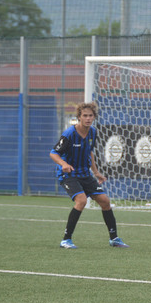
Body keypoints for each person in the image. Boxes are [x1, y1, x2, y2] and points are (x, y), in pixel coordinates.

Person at [50, 102, 129, 249]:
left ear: (94, 117)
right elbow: (53, 153)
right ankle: (66, 240)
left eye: (90, 115)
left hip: (85, 174)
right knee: (81, 201)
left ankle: (114, 238)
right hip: (69, 174)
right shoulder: (69, 134)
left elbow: (89, 152)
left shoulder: (92, 132)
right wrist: (64, 164)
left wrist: (96, 172)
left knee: (105, 201)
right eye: (84, 116)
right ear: (79, 117)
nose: (87, 118)